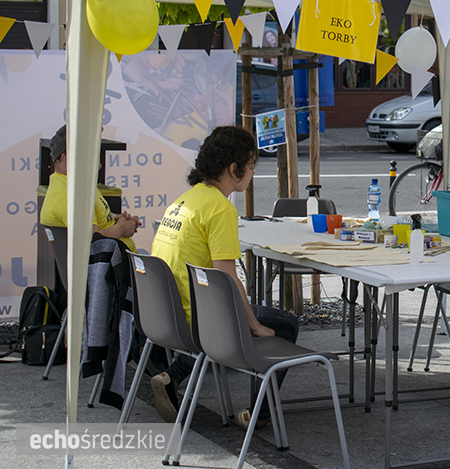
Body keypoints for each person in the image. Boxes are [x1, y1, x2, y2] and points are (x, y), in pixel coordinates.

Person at [150, 125, 299, 427]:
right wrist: (254, 325)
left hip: (168, 315)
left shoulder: (184, 201)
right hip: (199, 319)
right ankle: (258, 415)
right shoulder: (220, 210)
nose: (253, 173)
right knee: (286, 324)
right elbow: (227, 281)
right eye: (251, 165)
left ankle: (174, 374)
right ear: (234, 169)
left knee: (240, 316)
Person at [40, 124, 140, 252]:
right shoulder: (70, 196)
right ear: (66, 157)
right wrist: (121, 229)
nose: (95, 151)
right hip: (110, 263)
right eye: (87, 147)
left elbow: (94, 216)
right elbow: (91, 241)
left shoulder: (75, 185)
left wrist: (117, 219)